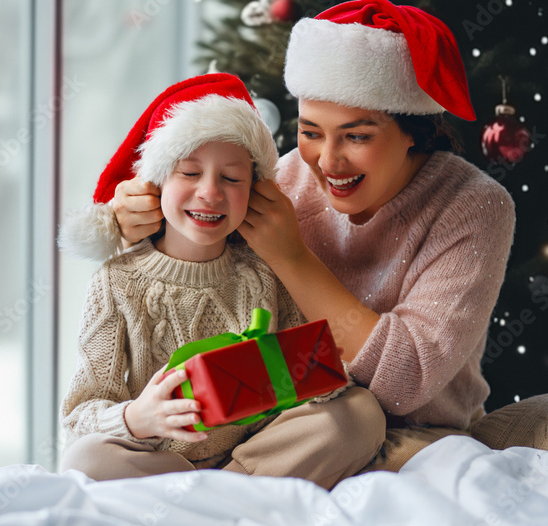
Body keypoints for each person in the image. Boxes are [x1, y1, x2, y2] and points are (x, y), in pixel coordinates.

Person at [107, 0, 521, 470]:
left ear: (414, 131)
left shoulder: (472, 205)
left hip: (411, 432)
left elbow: (407, 382)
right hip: (279, 422)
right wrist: (142, 215)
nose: (327, 161)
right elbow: (199, 236)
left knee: (373, 430)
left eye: (357, 136)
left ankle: (223, 489)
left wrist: (293, 258)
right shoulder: (286, 179)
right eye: (310, 132)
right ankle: (220, 483)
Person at [57, 72, 386, 489]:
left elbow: (313, 372)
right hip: (160, 460)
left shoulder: (263, 270)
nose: (210, 194)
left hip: (253, 454)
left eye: (231, 179)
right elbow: (79, 415)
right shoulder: (116, 282)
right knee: (83, 458)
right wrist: (137, 418)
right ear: (155, 184)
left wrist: (311, 375)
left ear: (255, 189)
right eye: (190, 173)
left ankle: (225, 491)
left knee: (361, 413)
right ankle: (220, 494)